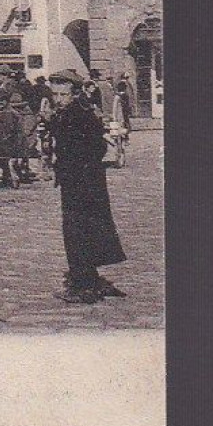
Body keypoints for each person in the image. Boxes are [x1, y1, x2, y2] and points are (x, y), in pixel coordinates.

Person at [46, 70, 127, 303]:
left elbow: (96, 147)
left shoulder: (76, 116)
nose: (59, 99)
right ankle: (89, 278)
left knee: (76, 231)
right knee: (88, 229)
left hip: (80, 182)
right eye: (55, 94)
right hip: (85, 180)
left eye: (63, 94)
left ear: (74, 94)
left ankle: (83, 285)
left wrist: (76, 165)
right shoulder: (76, 112)